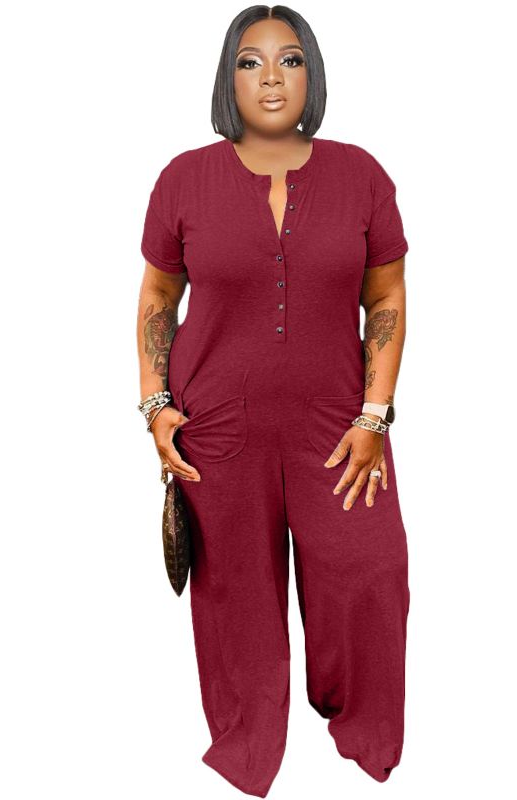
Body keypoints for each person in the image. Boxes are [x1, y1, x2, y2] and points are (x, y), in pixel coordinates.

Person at [136, 6, 410, 797]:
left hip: (341, 428)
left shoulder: (362, 175)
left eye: (289, 60)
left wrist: (374, 415)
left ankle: (358, 723)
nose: (271, 79)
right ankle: (247, 739)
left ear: (311, 75)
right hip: (217, 427)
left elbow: (386, 294)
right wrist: (155, 406)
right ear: (228, 79)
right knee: (237, 598)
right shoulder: (182, 180)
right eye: (250, 62)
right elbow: (158, 298)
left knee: (369, 573)